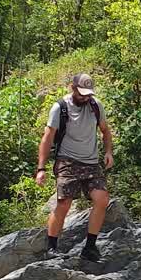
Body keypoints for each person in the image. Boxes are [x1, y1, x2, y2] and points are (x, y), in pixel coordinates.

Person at [34, 72, 113, 262]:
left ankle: (90, 247)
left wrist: (108, 152)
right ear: (72, 88)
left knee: (102, 199)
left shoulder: (95, 106)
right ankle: (51, 247)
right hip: (67, 160)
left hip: (91, 162)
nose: (85, 97)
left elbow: (105, 131)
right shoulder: (60, 108)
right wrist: (41, 168)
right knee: (64, 202)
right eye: (81, 93)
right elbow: (47, 139)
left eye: (88, 94)